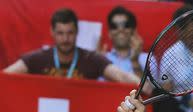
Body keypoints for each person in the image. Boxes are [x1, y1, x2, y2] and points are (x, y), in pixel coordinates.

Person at [3, 8, 144, 87]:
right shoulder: (37, 58)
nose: (65, 39)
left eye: (70, 33)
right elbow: (4, 78)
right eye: (60, 33)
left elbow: (125, 78)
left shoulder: (92, 59)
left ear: (77, 32)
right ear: (52, 32)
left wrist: (143, 84)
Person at [101, 6, 146, 77]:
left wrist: (135, 62)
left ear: (134, 31)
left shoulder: (147, 59)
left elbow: (147, 88)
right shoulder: (102, 58)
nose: (120, 30)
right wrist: (97, 62)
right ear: (109, 33)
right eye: (114, 26)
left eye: (126, 25)